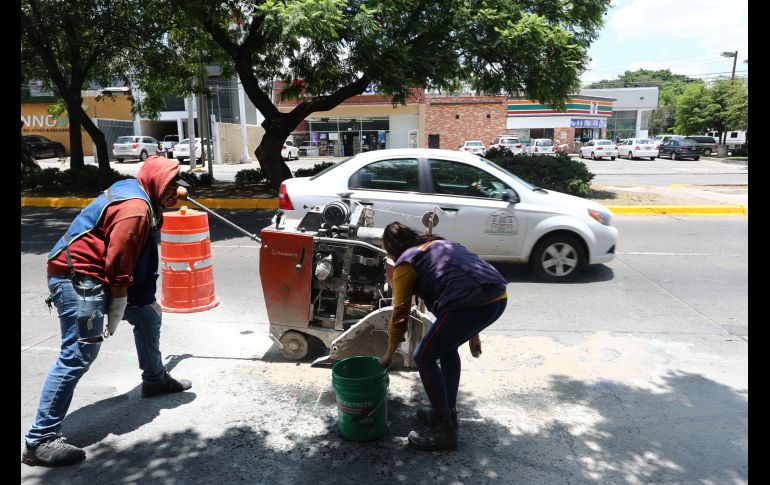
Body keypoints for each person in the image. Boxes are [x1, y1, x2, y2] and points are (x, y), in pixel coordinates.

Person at [22, 156, 193, 467]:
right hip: (79, 279)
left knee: (148, 315)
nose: (176, 193)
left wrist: (139, 300)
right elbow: (118, 266)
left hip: (102, 275)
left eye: (177, 186)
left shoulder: (144, 194)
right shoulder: (136, 209)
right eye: (170, 186)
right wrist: (117, 306)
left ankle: (154, 378)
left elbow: (137, 260)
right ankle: (40, 440)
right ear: (155, 181)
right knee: (79, 353)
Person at [379, 222, 508, 451]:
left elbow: (400, 312)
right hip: (497, 297)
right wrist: (473, 334)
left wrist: (388, 354)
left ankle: (445, 430)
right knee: (447, 349)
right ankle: (447, 412)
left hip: (470, 304)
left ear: (390, 250)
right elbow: (464, 281)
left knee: (424, 356)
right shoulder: (437, 245)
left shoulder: (406, 263)